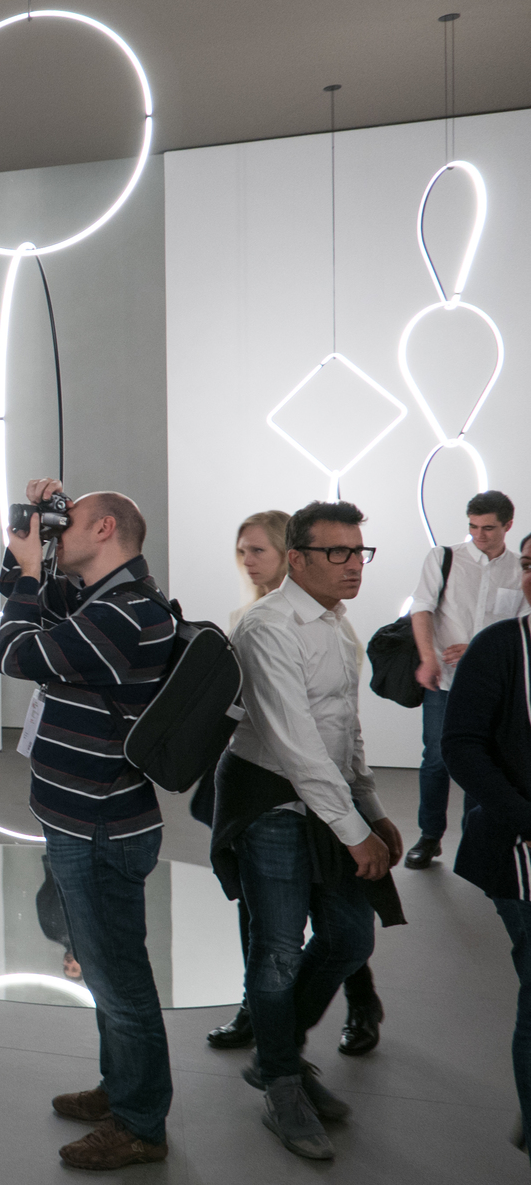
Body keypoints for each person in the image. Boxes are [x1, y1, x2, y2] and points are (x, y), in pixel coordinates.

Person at [211, 500, 405, 1162]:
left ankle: (275, 1055)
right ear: (299, 558)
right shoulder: (267, 628)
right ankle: (285, 1084)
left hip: (328, 801)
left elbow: (344, 727)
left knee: (350, 935)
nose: (354, 566)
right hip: (270, 802)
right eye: (339, 553)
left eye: (360, 552)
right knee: (277, 951)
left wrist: (372, 806)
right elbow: (296, 745)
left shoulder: (335, 621)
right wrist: (357, 832)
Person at [0, 480, 175, 1171]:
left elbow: (14, 651)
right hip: (81, 817)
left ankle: (139, 1121)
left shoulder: (125, 616)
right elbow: (23, 592)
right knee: (104, 969)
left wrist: (30, 574)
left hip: (100, 825)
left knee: (120, 975)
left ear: (104, 530)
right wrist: (28, 550)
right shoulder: (102, 601)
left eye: (66, 524)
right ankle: (121, 1086)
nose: (53, 534)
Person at [443, 531, 531, 1155]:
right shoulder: (501, 647)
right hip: (518, 847)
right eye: (529, 566)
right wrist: (523, 813)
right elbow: (461, 745)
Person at [406, 490, 525, 870]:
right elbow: (421, 609)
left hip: (494, 687)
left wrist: (476, 648)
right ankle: (429, 837)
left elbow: (517, 625)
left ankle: (474, 838)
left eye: (488, 528)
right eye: (473, 527)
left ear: (507, 525)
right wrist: (427, 658)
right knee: (437, 760)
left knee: (483, 762)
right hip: (443, 679)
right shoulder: (444, 558)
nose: (479, 535)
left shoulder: (518, 569)